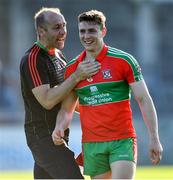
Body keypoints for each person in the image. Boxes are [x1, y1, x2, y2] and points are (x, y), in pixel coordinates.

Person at [52, 9, 163, 179]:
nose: (86, 36)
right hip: (92, 144)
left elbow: (144, 99)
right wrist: (60, 126)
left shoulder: (124, 60)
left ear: (103, 31)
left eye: (92, 31)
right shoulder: (73, 68)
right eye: (82, 31)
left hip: (122, 140)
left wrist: (154, 138)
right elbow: (67, 109)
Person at [20, 7, 100, 179]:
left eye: (64, 26)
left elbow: (67, 97)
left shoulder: (59, 56)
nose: (63, 32)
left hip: (58, 135)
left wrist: (98, 109)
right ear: (41, 31)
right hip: (42, 137)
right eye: (57, 27)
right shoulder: (33, 59)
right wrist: (77, 75)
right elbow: (47, 100)